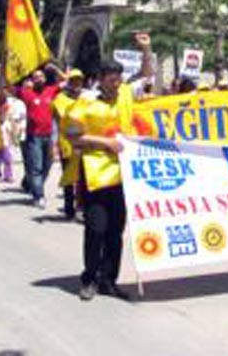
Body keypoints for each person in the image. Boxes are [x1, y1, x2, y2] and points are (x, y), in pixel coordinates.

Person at [70, 33, 153, 301]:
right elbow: (73, 136)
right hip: (95, 175)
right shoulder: (85, 103)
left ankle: (109, 280)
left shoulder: (127, 95)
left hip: (123, 175)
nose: (117, 83)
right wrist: (105, 142)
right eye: (112, 78)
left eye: (119, 78)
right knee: (96, 229)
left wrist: (146, 48)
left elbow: (146, 74)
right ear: (101, 79)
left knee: (116, 231)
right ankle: (89, 279)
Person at [16, 66, 65, 209]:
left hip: (49, 136)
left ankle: (34, 185)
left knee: (47, 165)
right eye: (35, 77)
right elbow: (9, 86)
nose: (38, 79)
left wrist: (55, 68)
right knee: (36, 167)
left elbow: (67, 81)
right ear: (32, 80)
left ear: (45, 79)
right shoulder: (27, 93)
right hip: (34, 137)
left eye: (41, 76)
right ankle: (39, 195)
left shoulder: (51, 90)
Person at [51, 69, 90, 219]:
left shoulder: (89, 98)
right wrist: (54, 145)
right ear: (68, 83)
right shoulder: (60, 99)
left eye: (79, 80)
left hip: (86, 143)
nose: (76, 84)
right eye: (73, 80)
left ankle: (83, 207)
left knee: (84, 178)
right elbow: (55, 122)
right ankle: (69, 208)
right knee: (69, 177)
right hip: (67, 144)